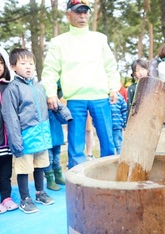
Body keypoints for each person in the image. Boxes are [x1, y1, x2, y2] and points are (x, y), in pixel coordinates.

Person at [41, 0, 121, 169]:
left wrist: (114, 87)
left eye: (85, 11)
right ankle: (77, 180)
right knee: (76, 143)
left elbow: (110, 66)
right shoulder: (58, 42)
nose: (82, 15)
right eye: (78, 12)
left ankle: (109, 174)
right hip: (75, 99)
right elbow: (50, 71)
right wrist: (51, 93)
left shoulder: (100, 39)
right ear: (68, 14)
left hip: (100, 97)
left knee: (107, 140)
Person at [1, 48, 54, 214]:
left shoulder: (39, 87)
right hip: (24, 136)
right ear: (13, 66)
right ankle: (25, 198)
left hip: (42, 135)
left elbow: (49, 106)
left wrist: (65, 114)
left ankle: (40, 193)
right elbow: (10, 116)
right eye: (23, 63)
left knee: (40, 165)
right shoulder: (13, 88)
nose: (28, 67)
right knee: (24, 169)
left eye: (31, 63)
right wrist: (16, 141)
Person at [0, 47, 18, 214]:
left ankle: (6, 197)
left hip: (7, 140)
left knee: (5, 172)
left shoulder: (10, 87)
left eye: (0, 62)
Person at [44, 84, 73, 191]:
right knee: (49, 159)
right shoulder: (43, 109)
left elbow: (64, 119)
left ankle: (58, 176)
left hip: (57, 137)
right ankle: (50, 180)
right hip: (47, 139)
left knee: (56, 158)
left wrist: (58, 110)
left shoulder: (56, 108)